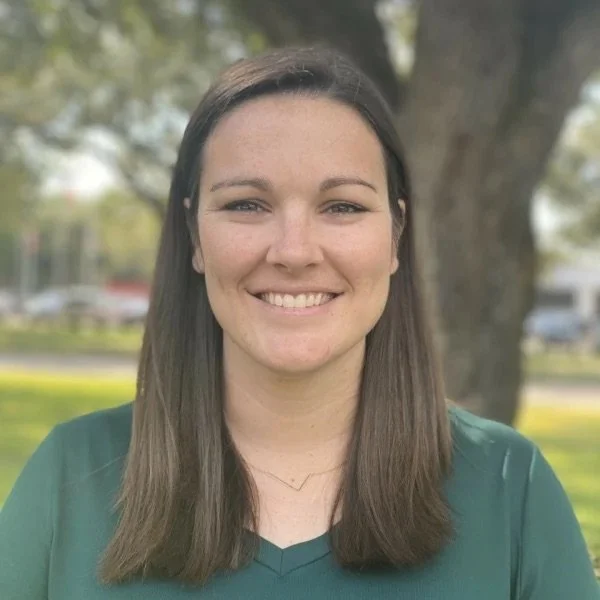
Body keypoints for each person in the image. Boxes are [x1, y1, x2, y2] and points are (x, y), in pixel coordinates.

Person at [0, 47, 598, 600]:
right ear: (193, 236)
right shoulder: (69, 480)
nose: (293, 251)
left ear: (395, 236)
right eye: (246, 204)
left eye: (342, 206)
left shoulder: (508, 486)